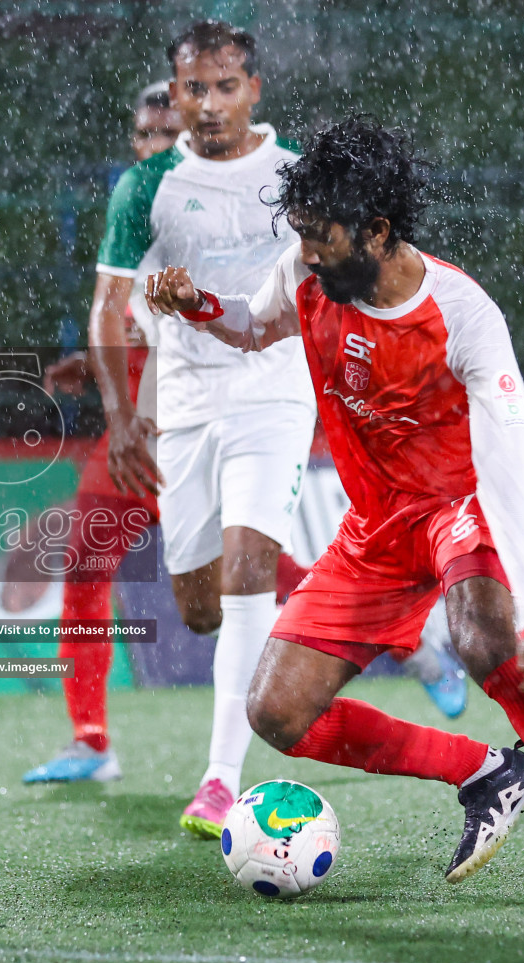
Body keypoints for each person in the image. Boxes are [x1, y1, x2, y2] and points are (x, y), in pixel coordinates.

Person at [145, 115, 524, 914]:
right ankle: (484, 771)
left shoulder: (465, 318)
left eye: (322, 236)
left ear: (377, 231)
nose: (307, 251)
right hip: (375, 528)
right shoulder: (306, 277)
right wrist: (199, 306)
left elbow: (506, 474)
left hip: (457, 508)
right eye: (302, 234)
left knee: (484, 640)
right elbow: (255, 325)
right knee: (276, 713)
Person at [87, 24, 464, 830]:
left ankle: (220, 779)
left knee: (250, 567)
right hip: (183, 401)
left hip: (274, 391)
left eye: (227, 87)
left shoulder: (299, 172)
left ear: (254, 88)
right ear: (175, 93)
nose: (211, 104)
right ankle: (373, 646)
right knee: (199, 603)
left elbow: (366, 269)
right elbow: (108, 311)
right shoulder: (144, 188)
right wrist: (123, 418)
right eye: (196, 89)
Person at [24, 80, 308, 785]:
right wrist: (94, 373)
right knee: (87, 563)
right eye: (144, 136)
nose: (153, 148)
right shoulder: (140, 204)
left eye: (163, 134)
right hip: (142, 428)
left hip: (213, 413)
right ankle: (91, 741)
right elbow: (120, 319)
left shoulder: (229, 210)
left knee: (252, 576)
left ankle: (401, 642)